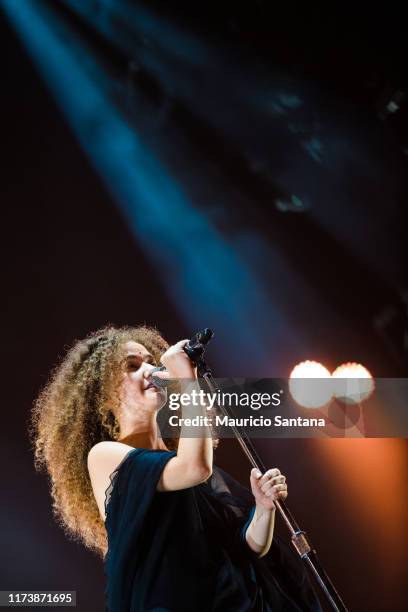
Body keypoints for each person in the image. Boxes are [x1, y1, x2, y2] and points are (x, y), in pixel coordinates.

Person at [30, 324, 322, 611]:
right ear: (103, 396)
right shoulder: (105, 456)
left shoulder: (179, 458)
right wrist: (187, 379)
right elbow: (194, 468)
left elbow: (245, 549)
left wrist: (263, 508)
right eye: (132, 366)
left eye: (150, 362)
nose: (150, 371)